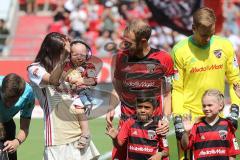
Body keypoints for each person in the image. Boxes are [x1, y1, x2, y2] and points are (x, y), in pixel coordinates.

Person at [171, 7, 240, 160]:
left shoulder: (226, 46)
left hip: (217, 117)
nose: (208, 39)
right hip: (190, 121)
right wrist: (178, 118)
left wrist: (235, 109)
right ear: (193, 28)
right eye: (204, 35)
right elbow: (177, 88)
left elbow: (236, 80)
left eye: (211, 34)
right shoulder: (179, 50)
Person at [106, 19, 174, 160]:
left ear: (143, 41)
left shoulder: (163, 59)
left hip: (153, 127)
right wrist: (111, 106)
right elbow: (118, 90)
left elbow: (167, 95)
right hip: (127, 125)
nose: (125, 45)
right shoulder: (120, 58)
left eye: (129, 42)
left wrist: (166, 120)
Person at [27, 32, 99, 160]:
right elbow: (53, 80)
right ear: (50, 50)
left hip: (79, 134)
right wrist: (64, 58)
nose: (66, 54)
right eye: (63, 51)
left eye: (67, 51)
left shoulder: (70, 68)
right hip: (57, 136)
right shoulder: (35, 68)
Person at [57, 39, 97, 146]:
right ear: (69, 54)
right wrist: (68, 78)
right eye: (75, 55)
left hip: (82, 92)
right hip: (67, 93)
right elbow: (61, 75)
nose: (79, 57)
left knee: (79, 107)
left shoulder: (89, 66)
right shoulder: (66, 65)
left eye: (82, 55)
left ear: (87, 55)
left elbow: (93, 80)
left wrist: (82, 81)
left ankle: (85, 133)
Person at [180, 89, 240, 159]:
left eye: (209, 105)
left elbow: (232, 152)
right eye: (204, 106)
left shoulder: (227, 125)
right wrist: (186, 132)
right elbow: (185, 146)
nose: (206, 108)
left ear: (220, 106)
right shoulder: (197, 126)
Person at [0, 73, 35, 160]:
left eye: (12, 101)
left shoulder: (28, 95)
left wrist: (16, 142)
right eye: (5, 99)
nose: (7, 104)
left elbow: (24, 128)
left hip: (7, 123)